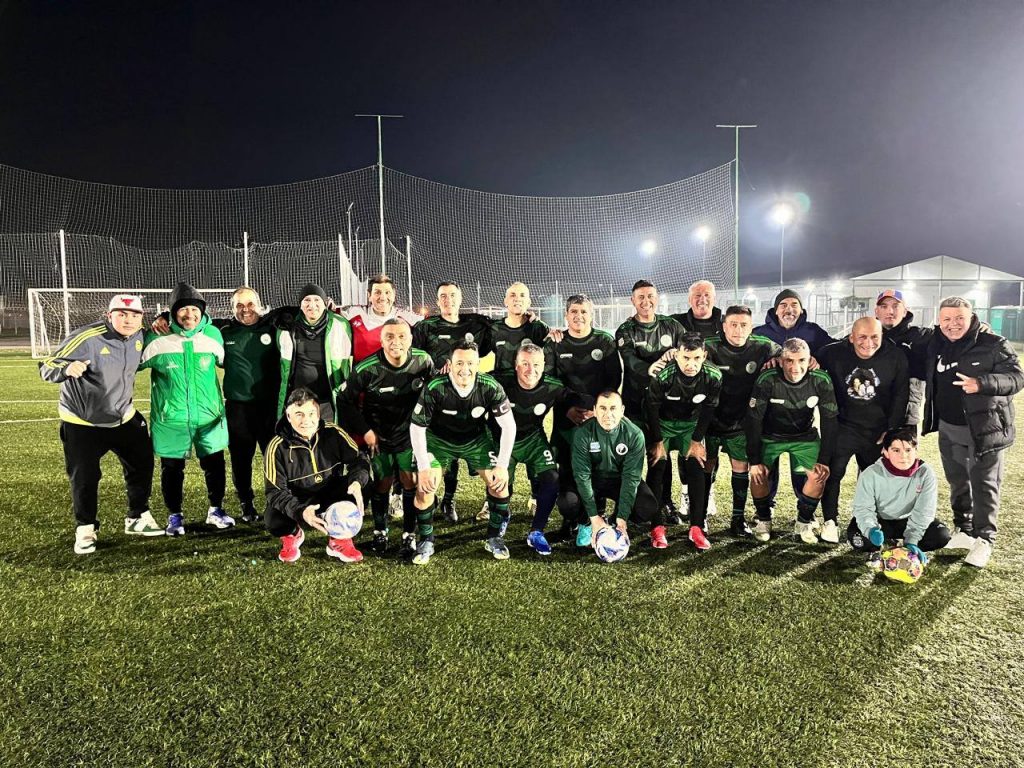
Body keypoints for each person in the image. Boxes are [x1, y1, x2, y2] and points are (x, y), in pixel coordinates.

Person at [39, 294, 161, 554]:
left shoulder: (141, 336)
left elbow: (170, 325)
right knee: (85, 476)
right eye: (121, 314)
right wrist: (65, 370)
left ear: (142, 318)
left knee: (142, 462)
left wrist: (164, 319)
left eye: (135, 315)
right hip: (83, 422)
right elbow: (47, 365)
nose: (128, 320)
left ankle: (137, 517)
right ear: (109, 315)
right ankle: (85, 528)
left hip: (123, 416)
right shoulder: (87, 338)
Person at [922, 296, 1023, 568]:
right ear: (939, 320)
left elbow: (1017, 378)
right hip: (948, 427)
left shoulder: (993, 344)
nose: (953, 324)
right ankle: (964, 530)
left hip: (984, 429)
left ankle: (985, 539)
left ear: (972, 318)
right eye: (947, 319)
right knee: (957, 481)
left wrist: (982, 383)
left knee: (984, 484)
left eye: (959, 318)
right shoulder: (935, 343)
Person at [409, 341, 516, 565]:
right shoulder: (435, 387)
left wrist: (502, 466)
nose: (464, 369)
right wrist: (424, 467)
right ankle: (426, 540)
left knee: (499, 485)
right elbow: (417, 428)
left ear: (478, 364)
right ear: (450, 363)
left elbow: (509, 426)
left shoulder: (490, 386)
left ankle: (494, 538)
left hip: (476, 441)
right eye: (459, 363)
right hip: (439, 441)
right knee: (425, 487)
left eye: (470, 363)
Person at [140, 283, 233, 536]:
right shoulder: (156, 338)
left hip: (209, 417)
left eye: (194, 309)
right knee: (172, 468)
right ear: (173, 312)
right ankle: (174, 516)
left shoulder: (213, 335)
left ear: (202, 312)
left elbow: (225, 361)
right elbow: (130, 363)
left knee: (215, 465)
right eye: (183, 309)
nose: (189, 314)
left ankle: (216, 510)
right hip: (172, 418)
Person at [337, 318, 434, 558]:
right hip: (378, 437)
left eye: (402, 336)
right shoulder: (367, 368)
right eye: (389, 337)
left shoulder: (423, 361)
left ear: (410, 340)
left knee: (410, 481)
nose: (396, 342)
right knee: (383, 482)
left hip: (409, 436)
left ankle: (409, 535)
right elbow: (344, 400)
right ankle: (380, 532)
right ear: (381, 341)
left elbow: (435, 392)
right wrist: (366, 431)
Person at [817, 317, 909, 544]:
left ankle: (872, 522)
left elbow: (901, 395)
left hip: (878, 431)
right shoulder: (833, 353)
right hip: (843, 427)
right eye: (862, 337)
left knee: (876, 480)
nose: (868, 343)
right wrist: (809, 360)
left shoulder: (896, 357)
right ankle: (830, 521)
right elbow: (809, 359)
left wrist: (891, 429)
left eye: (874, 337)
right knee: (833, 474)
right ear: (851, 337)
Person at [412, 281, 494, 523]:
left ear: (460, 299)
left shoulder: (474, 326)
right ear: (438, 301)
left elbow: (500, 333)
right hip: (434, 399)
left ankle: (449, 500)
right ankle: (439, 499)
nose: (448, 300)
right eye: (443, 296)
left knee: (465, 445)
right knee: (443, 449)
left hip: (468, 398)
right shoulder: (426, 327)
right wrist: (434, 373)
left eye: (452, 295)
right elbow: (413, 358)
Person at [544, 294, 622, 544]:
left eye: (584, 311)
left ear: (592, 315)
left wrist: (597, 411)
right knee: (566, 468)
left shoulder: (604, 341)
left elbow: (614, 379)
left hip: (598, 417)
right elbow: (549, 379)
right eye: (574, 312)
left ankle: (596, 516)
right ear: (566, 315)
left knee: (597, 465)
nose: (579, 316)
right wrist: (567, 408)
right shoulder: (556, 343)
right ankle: (571, 519)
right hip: (566, 418)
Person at [745, 338, 838, 543]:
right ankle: (763, 520)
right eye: (789, 361)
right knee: (759, 475)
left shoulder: (820, 379)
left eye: (801, 360)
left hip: (804, 436)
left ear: (809, 359)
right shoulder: (768, 378)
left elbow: (830, 421)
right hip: (771, 436)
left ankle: (803, 523)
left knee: (818, 475)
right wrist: (754, 460)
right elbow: (754, 420)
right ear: (781, 360)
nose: (796, 367)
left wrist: (824, 459)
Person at [503, 341, 591, 555]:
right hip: (503, 440)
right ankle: (502, 514)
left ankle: (536, 531)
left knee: (552, 478)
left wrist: (596, 408)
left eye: (536, 365)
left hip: (534, 439)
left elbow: (575, 397)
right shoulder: (500, 382)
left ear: (544, 365)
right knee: (502, 483)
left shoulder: (552, 385)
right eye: (525, 364)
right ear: (516, 365)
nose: (530, 370)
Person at [264, 387, 370, 563]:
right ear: (288, 416)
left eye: (311, 413)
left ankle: (339, 539)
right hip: (298, 499)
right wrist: (300, 511)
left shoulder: (333, 432)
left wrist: (357, 482)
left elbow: (359, 459)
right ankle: (293, 534)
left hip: (330, 494)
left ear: (319, 413)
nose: (306, 420)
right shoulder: (277, 446)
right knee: (273, 519)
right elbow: (274, 491)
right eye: (299, 414)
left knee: (363, 486)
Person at [703, 305, 780, 537]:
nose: (738, 330)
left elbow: (786, 352)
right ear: (724, 326)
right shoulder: (709, 346)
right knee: (706, 468)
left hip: (739, 423)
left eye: (744, 325)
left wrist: (778, 358)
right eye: (733, 324)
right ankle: (701, 516)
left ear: (751, 327)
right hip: (710, 421)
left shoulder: (762, 345)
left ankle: (737, 519)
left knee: (741, 469)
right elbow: (685, 355)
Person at [615, 279, 687, 520]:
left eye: (650, 296)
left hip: (665, 405)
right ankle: (628, 503)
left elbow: (688, 352)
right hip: (635, 405)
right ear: (633, 301)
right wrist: (649, 368)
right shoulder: (625, 329)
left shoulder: (672, 326)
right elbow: (629, 360)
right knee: (630, 456)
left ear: (657, 298)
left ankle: (663, 503)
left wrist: (677, 353)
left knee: (660, 456)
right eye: (641, 297)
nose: (646, 301)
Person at [644, 333, 722, 550]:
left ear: (704, 355)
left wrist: (696, 441)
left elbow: (709, 408)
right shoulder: (663, 375)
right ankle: (656, 527)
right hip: (663, 424)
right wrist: (657, 441)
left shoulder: (713, 376)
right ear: (676, 355)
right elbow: (651, 407)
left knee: (696, 466)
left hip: (690, 426)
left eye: (696, 358)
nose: (691, 364)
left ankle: (696, 527)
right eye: (686, 358)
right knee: (657, 466)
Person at [563, 391, 661, 556]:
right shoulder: (582, 433)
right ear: (595, 410)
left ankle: (613, 523)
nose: (608, 414)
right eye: (602, 408)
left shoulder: (634, 434)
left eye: (613, 408)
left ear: (622, 411)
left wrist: (622, 519)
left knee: (647, 507)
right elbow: (582, 476)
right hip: (593, 480)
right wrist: (594, 517)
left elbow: (631, 478)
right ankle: (586, 523)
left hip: (619, 481)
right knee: (567, 502)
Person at [847, 427, 951, 559]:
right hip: (881, 521)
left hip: (907, 521)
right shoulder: (870, 473)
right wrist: (871, 530)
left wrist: (912, 539)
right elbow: (863, 508)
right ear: (885, 452)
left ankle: (906, 545)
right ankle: (880, 544)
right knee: (859, 540)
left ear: (916, 451)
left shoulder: (926, 473)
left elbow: (924, 511)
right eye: (896, 450)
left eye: (908, 450)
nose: (903, 456)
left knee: (941, 536)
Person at [277, 283, 354, 423]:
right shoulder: (287, 327)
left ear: (325, 303)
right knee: (301, 436)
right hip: (299, 402)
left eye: (317, 299)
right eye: (307, 300)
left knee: (328, 435)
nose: (312, 305)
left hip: (328, 401)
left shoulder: (340, 324)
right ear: (300, 305)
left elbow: (348, 359)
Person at [875, 289, 932, 427]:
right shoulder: (868, 337)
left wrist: (977, 329)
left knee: (902, 442)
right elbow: (835, 348)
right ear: (876, 312)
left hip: (907, 418)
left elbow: (952, 336)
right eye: (884, 306)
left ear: (905, 311)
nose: (890, 311)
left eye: (895, 306)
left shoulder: (921, 336)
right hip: (874, 413)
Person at [346, 274, 422, 363]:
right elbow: (333, 314)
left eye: (387, 292)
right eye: (377, 292)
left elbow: (433, 324)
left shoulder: (407, 318)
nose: (383, 298)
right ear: (369, 296)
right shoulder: (355, 313)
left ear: (394, 295)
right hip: (362, 370)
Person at [490, 281, 551, 385]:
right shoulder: (494, 328)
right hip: (503, 389)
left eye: (522, 295)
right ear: (505, 301)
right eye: (513, 295)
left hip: (528, 389)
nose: (517, 299)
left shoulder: (539, 328)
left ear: (529, 302)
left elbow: (549, 358)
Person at [753, 289, 834, 355]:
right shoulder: (759, 334)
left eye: (794, 305)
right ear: (776, 311)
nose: (789, 310)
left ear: (801, 310)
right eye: (783, 305)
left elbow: (832, 349)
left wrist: (815, 359)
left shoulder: (813, 331)